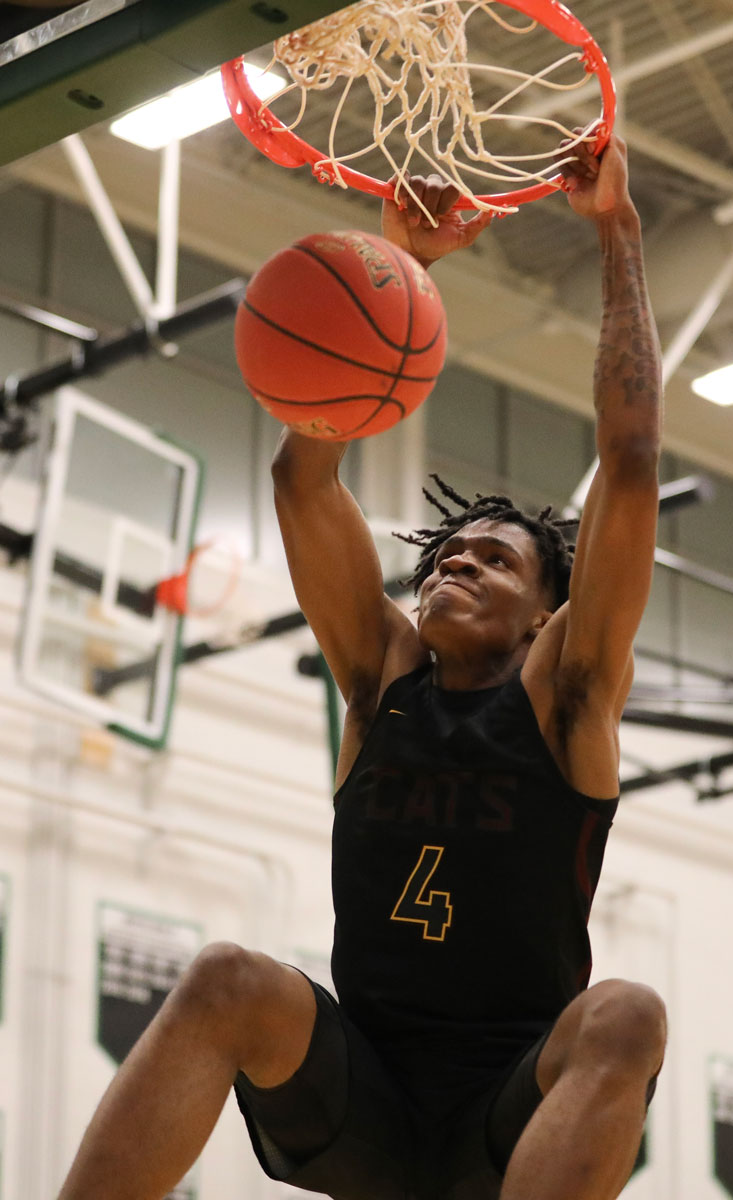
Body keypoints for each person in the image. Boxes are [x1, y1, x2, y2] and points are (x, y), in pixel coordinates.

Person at [57, 134, 666, 1200]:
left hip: (504, 1116)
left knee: (625, 1014)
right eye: (442, 554)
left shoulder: (567, 697)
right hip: (363, 1102)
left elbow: (630, 461)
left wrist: (615, 230)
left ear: (543, 617)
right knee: (222, 979)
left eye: (492, 559)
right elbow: (304, 480)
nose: (454, 564)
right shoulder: (379, 676)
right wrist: (403, 278)